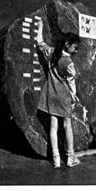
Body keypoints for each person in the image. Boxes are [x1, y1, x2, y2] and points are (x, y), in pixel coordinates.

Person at [36, 19, 81, 168]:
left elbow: (40, 42)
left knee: (53, 126)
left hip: (50, 94)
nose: (76, 50)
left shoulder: (51, 53)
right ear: (67, 45)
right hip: (64, 97)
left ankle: (56, 159)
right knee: (68, 126)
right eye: (75, 47)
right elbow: (72, 85)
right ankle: (70, 157)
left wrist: (40, 27)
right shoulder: (69, 64)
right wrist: (74, 99)